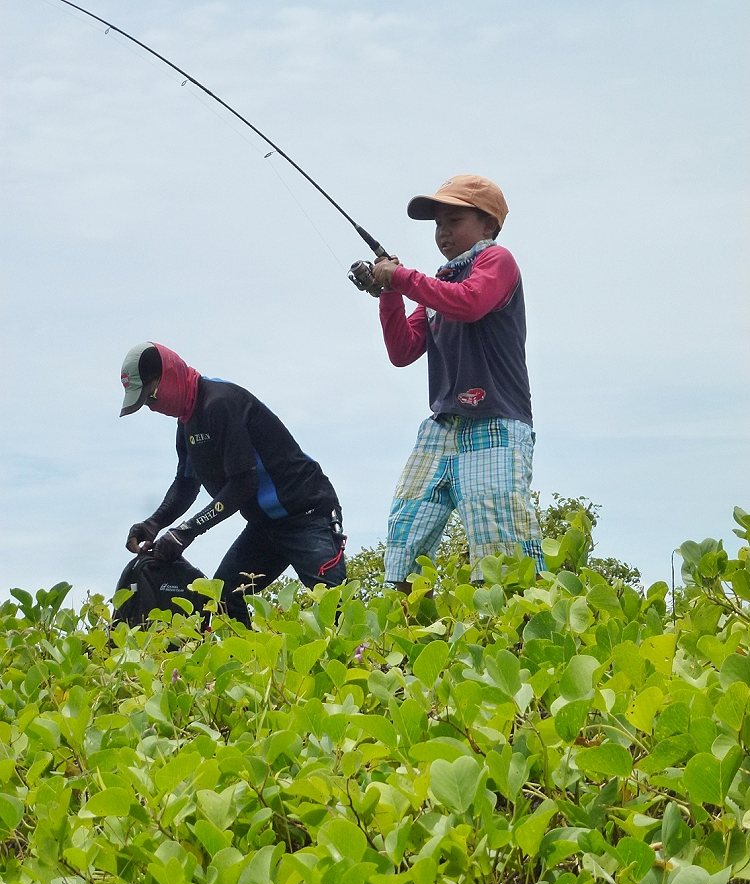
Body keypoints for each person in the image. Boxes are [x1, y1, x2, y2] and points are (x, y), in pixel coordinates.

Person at [370, 174, 545, 591]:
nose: (443, 232)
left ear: (488, 225)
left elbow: (471, 303)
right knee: (405, 531)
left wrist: (402, 278)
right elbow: (403, 350)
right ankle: (405, 631)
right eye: (438, 224)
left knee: (503, 552)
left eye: (453, 221)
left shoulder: (497, 262)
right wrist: (389, 293)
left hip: (496, 424)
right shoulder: (441, 281)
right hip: (444, 425)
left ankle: (516, 643)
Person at [119, 342, 346, 623]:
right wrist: (153, 524)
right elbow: (186, 485)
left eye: (151, 396)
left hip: (308, 515)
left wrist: (186, 531)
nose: (152, 407)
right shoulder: (187, 422)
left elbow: (243, 484)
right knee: (223, 600)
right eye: (145, 404)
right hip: (266, 527)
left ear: (171, 376)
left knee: (333, 609)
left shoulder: (219, 403)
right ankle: (252, 662)